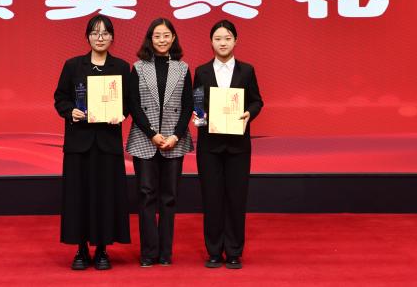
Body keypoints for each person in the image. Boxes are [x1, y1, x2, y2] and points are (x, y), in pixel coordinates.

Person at [53, 14, 131, 270]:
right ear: (87, 37)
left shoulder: (121, 67)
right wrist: (70, 111)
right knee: (79, 196)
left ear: (112, 37)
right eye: (95, 33)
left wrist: (121, 114)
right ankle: (80, 249)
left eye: (105, 33)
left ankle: (102, 249)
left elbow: (128, 102)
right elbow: (60, 98)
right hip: (79, 143)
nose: (100, 37)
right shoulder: (73, 66)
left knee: (105, 196)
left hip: (107, 142)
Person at [193, 19, 263, 269]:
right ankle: (214, 251)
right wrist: (198, 116)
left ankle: (234, 251)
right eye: (218, 39)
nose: (222, 43)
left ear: (235, 41)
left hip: (237, 146)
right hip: (209, 145)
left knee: (236, 198)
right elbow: (197, 102)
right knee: (211, 198)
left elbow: (257, 101)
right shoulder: (201, 71)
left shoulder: (247, 71)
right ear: (211, 42)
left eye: (227, 38)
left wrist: (248, 113)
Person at [126, 18, 194, 267]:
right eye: (157, 36)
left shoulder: (183, 68)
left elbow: (188, 105)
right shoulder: (138, 67)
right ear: (150, 39)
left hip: (175, 140)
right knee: (146, 195)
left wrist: (176, 135)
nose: (162, 40)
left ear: (173, 38)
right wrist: (152, 133)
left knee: (169, 197)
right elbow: (133, 104)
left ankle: (165, 253)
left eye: (166, 35)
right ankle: (148, 253)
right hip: (145, 139)